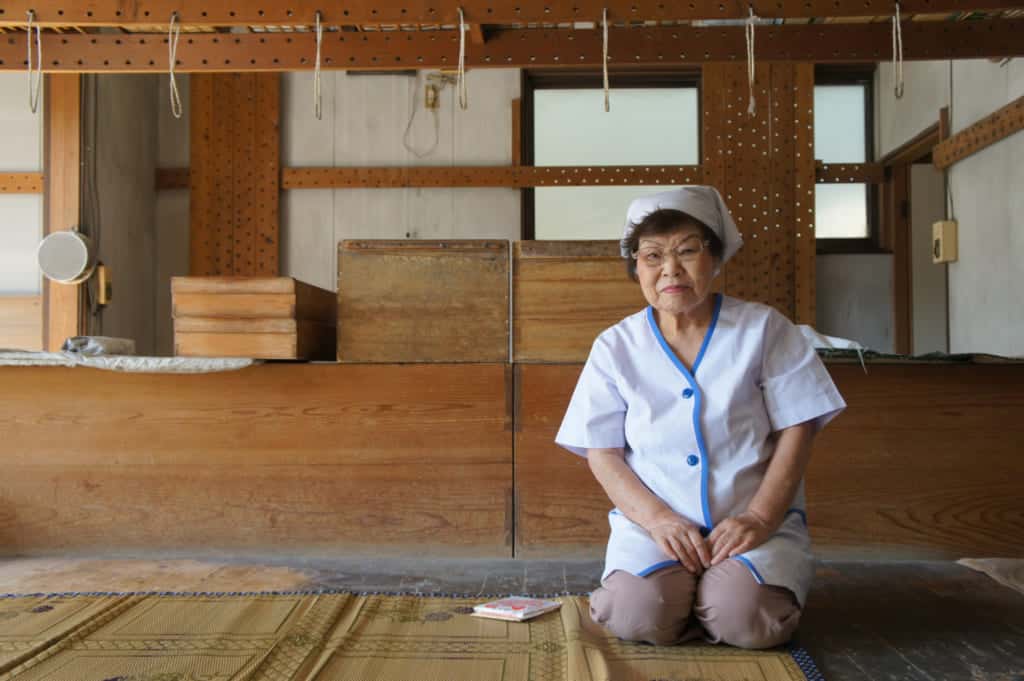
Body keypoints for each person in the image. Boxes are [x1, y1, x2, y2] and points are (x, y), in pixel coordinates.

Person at [555, 186, 846, 649]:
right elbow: (601, 450)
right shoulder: (615, 346)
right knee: (635, 617)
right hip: (654, 527)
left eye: (687, 250)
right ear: (636, 267)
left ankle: (717, 599)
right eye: (652, 255)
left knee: (749, 621)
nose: (670, 269)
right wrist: (657, 520)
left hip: (747, 522)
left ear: (715, 256)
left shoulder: (766, 329)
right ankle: (687, 596)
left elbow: (799, 427)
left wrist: (760, 516)